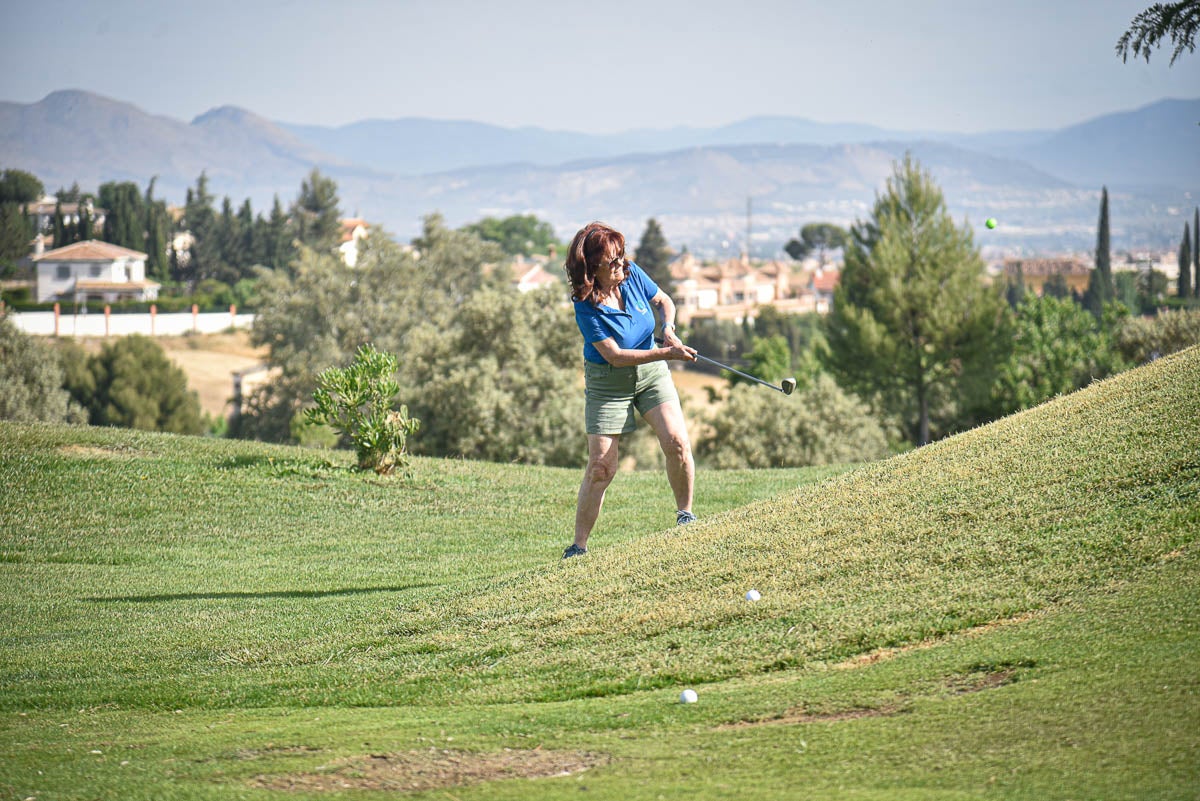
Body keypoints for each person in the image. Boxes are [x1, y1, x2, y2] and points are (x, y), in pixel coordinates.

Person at [561, 221, 698, 560]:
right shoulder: (585, 305)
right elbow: (616, 356)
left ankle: (686, 516)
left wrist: (668, 328)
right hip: (608, 382)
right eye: (613, 261)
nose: (621, 265)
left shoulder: (632, 273)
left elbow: (664, 300)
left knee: (677, 442)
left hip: (651, 372)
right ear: (593, 268)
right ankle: (578, 547)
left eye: (622, 257)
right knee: (601, 468)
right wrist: (667, 353)